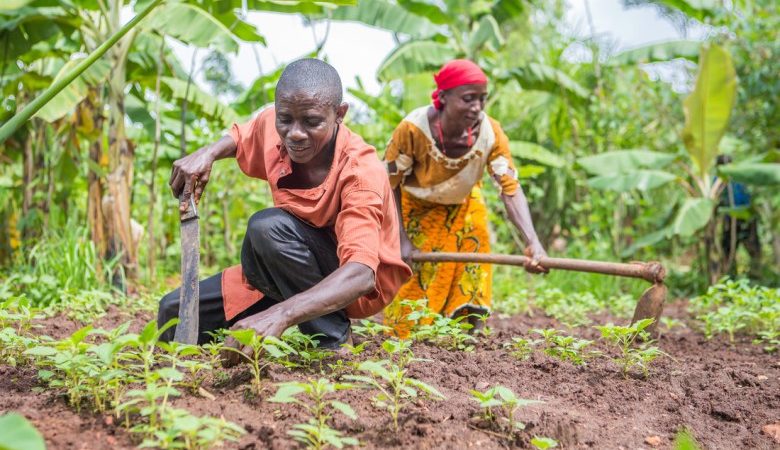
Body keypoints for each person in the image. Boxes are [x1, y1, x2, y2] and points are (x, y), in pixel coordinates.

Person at [159, 59, 411, 355]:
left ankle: (331, 343)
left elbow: (361, 273)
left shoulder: (360, 172)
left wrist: (278, 316)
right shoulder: (277, 125)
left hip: (349, 284)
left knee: (267, 228)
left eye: (312, 122)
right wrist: (207, 154)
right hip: (282, 267)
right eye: (285, 119)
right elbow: (242, 136)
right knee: (172, 314)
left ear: (339, 115)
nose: (295, 133)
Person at [382, 59, 547, 337]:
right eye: (468, 99)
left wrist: (534, 243)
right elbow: (389, 184)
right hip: (416, 207)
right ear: (443, 98)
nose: (477, 108)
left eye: (482, 99)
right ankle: (409, 336)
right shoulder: (413, 130)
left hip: (465, 205)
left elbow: (510, 187)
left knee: (474, 261)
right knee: (417, 278)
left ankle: (469, 334)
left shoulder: (491, 132)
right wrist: (401, 239)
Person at [716, 155, 761, 277]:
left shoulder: (738, 176)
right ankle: (731, 274)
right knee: (729, 248)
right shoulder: (720, 179)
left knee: (751, 246)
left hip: (744, 215)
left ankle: (755, 273)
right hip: (733, 216)